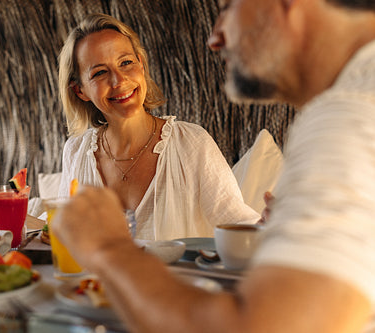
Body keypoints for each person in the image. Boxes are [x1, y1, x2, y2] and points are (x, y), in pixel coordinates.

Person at [52, 1, 375, 332]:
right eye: (100, 72)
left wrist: (109, 248)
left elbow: (255, 327)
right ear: (80, 90)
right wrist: (282, 232)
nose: (214, 37)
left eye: (229, 6)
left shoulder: (348, 119)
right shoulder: (355, 102)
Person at [57, 13, 259, 240]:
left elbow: (238, 222)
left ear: (141, 66)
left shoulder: (191, 144)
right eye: (100, 72)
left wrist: (277, 226)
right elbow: (64, 236)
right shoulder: (75, 152)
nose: (119, 80)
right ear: (80, 90)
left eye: (126, 63)